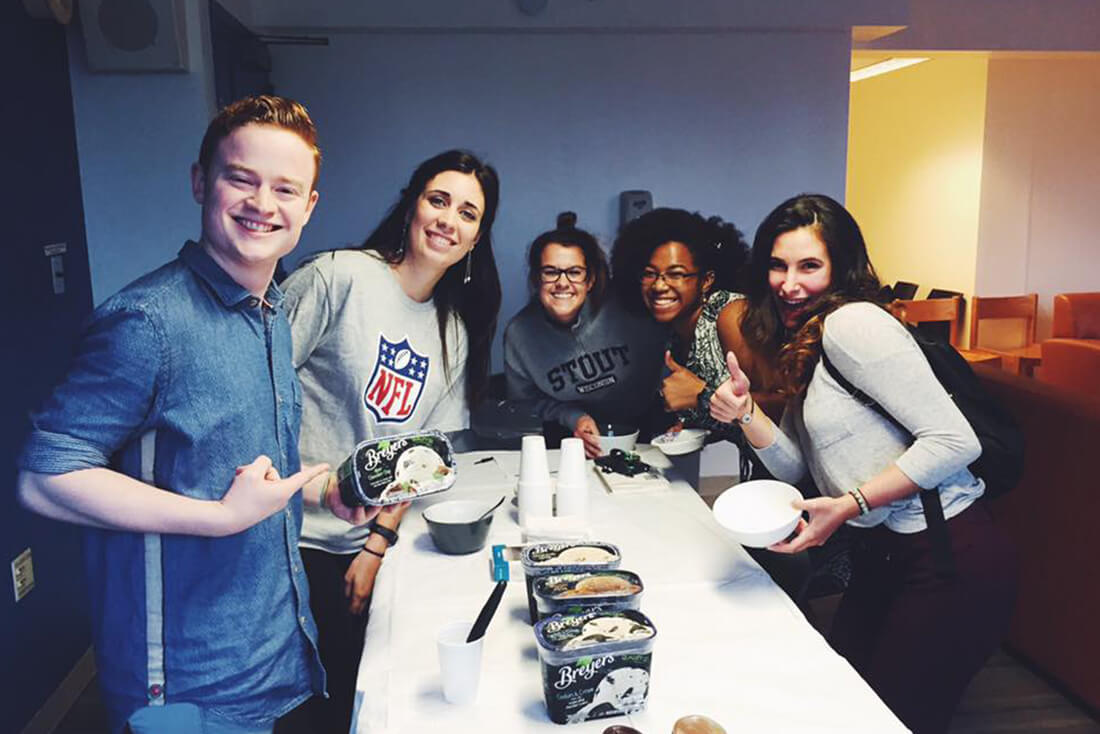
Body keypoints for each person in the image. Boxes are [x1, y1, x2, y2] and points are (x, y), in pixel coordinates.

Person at [17, 96, 377, 734]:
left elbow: (238, 466)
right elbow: (44, 476)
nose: (263, 204)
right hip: (185, 682)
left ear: (309, 207)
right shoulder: (147, 322)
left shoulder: (269, 314)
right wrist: (216, 519)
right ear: (200, 181)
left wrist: (325, 493)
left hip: (279, 654)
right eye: (241, 178)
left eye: (285, 189)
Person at [710, 193, 1018, 734]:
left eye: (809, 266)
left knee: (891, 720)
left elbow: (955, 442)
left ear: (840, 268)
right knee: (848, 707)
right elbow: (795, 468)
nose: (789, 283)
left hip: (949, 558)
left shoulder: (854, 324)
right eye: (778, 266)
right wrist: (746, 412)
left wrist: (851, 503)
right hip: (885, 558)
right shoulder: (807, 338)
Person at [282, 149, 501, 732]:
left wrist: (376, 546)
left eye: (468, 213)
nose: (448, 220)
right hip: (284, 538)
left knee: (358, 696)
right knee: (289, 707)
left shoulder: (451, 329)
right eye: (438, 200)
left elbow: (418, 459)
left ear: (477, 239)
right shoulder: (338, 276)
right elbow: (256, 395)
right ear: (411, 205)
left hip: (362, 543)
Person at [503, 213, 667, 458]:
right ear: (537, 279)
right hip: (572, 433)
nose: (562, 282)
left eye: (574, 272)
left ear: (590, 280)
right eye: (550, 272)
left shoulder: (628, 307)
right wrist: (572, 417)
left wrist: (678, 412)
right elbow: (526, 401)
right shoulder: (520, 335)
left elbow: (671, 346)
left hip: (647, 422)